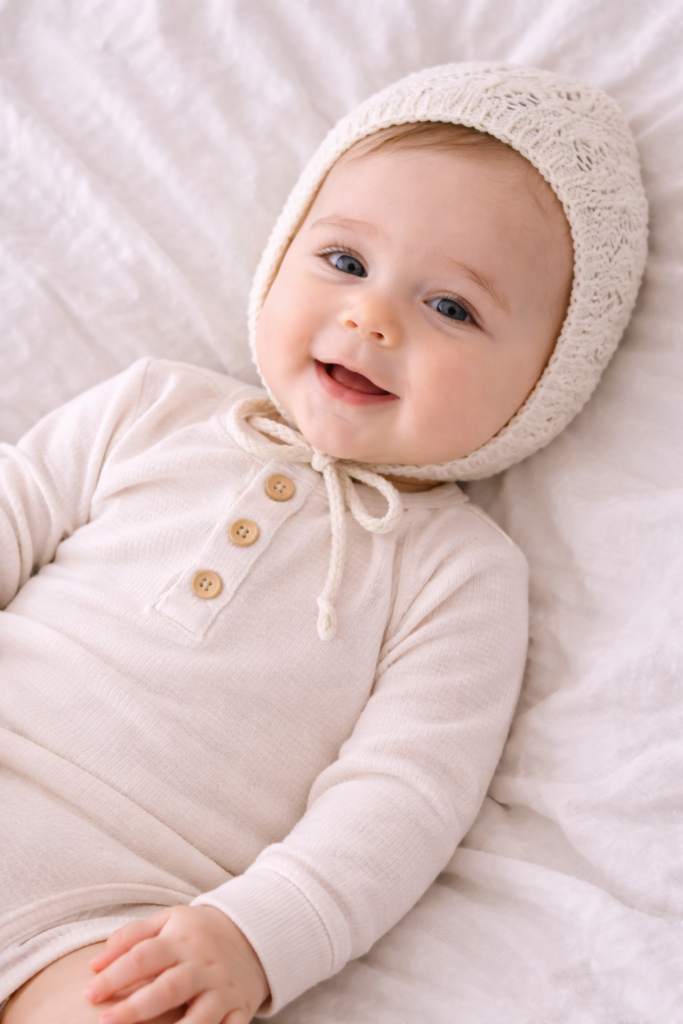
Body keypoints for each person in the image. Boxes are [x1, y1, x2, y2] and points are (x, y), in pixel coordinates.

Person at [0, 63, 647, 1024]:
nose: (370, 316)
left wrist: (260, 934)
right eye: (344, 262)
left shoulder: (458, 573)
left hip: (109, 926)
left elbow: (403, 796)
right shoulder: (153, 407)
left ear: (546, 383)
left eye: (452, 308)